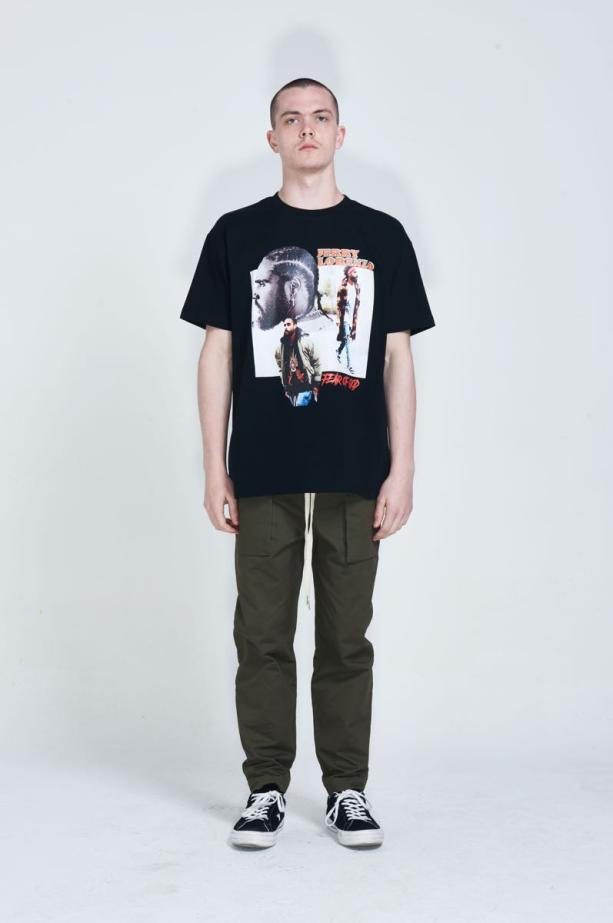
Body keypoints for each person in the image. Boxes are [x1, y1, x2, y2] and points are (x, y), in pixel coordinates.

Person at [179, 77, 435, 850]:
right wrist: (213, 466)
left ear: (339, 132)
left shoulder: (381, 234)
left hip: (356, 469)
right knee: (261, 633)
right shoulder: (236, 233)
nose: (306, 129)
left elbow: (396, 358)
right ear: (273, 139)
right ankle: (264, 787)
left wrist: (402, 468)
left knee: (346, 636)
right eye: (290, 119)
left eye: (319, 117)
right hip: (263, 467)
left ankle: (346, 788)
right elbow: (216, 352)